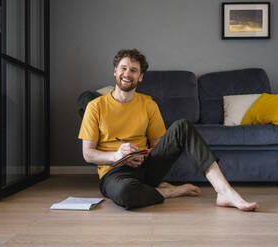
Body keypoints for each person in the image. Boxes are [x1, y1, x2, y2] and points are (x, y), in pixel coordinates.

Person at [78, 49, 258, 211]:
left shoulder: (148, 104)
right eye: (123, 68)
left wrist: (142, 154)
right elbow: (88, 154)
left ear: (140, 77)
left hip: (146, 166)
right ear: (115, 71)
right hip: (114, 172)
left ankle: (224, 191)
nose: (127, 73)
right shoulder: (95, 106)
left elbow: (158, 145)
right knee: (126, 194)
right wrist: (117, 156)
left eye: (133, 70)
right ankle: (169, 192)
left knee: (182, 126)